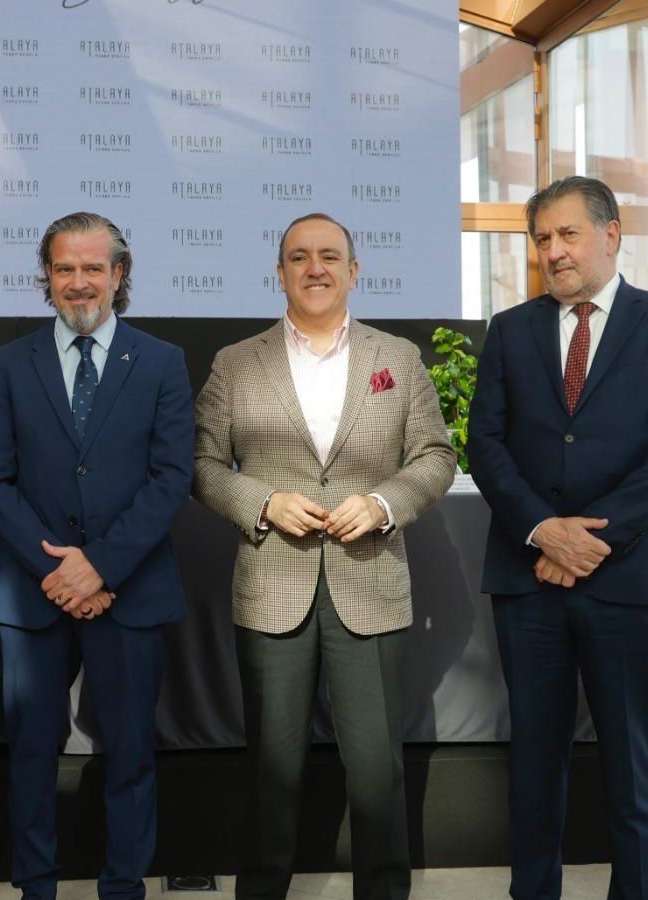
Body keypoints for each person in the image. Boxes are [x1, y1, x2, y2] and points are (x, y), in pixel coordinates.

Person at [192, 212, 455, 900]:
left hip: (369, 588)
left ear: (353, 270)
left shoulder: (395, 360)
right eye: (299, 257)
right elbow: (204, 466)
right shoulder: (236, 363)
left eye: (330, 256)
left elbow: (434, 455)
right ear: (278, 272)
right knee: (272, 771)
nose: (315, 268)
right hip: (271, 587)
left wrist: (384, 503)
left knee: (376, 772)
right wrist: (262, 502)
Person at [467, 176, 648, 900]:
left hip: (628, 581)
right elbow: (487, 444)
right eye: (542, 239)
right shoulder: (510, 329)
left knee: (631, 762)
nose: (553, 251)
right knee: (534, 763)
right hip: (527, 578)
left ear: (611, 233)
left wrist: (590, 542)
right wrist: (544, 531)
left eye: (567, 234)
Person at [0, 211, 194, 900]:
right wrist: (59, 571)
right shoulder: (9, 366)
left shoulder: (162, 361)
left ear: (118, 274)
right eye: (64, 268)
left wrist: (100, 567)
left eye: (92, 268)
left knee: (129, 755)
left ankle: (122, 885)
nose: (78, 282)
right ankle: (36, 885)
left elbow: (171, 479)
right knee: (32, 756)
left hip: (128, 591)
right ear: (47, 276)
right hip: (32, 595)